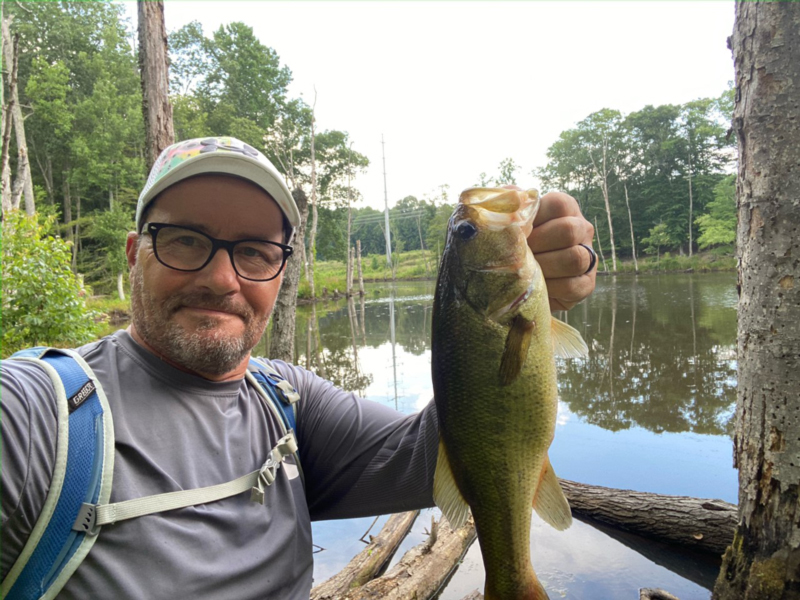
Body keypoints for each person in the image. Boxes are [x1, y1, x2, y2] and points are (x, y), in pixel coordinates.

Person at [1, 137, 597, 599]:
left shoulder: (288, 403)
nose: (221, 278)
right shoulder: (35, 415)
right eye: (184, 240)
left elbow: (442, 450)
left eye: (255, 251)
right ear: (136, 254)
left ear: (280, 272)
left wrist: (520, 325)